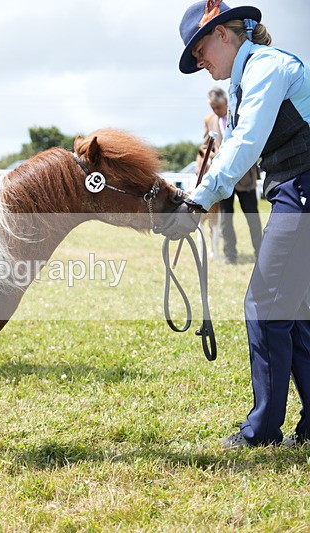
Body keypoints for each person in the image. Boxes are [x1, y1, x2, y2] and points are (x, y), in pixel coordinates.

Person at [158, 1, 310, 448]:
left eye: (200, 49)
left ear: (225, 33)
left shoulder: (266, 67)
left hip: (303, 189)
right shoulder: (246, 79)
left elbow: (245, 143)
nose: (199, 61)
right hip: (294, 189)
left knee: (265, 306)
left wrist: (197, 202)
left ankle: (261, 431)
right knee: (295, 313)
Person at [199, 86, 262, 264]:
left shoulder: (240, 115)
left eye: (217, 107)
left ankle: (261, 253)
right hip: (223, 178)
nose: (215, 111)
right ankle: (230, 255)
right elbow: (205, 146)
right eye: (212, 108)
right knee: (225, 217)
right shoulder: (209, 120)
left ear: (226, 102)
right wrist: (209, 158)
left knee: (252, 217)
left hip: (245, 176)